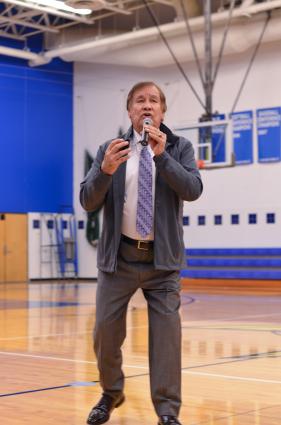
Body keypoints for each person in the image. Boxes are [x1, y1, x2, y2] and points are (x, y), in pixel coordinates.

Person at [80, 81, 203, 425]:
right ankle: (111, 391)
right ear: (130, 110)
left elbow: (193, 189)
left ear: (162, 111)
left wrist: (162, 157)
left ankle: (167, 410)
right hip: (118, 260)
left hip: (162, 262)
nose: (146, 106)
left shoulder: (179, 147)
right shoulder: (111, 149)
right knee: (105, 332)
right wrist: (104, 171)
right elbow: (88, 200)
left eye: (153, 101)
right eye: (139, 101)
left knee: (166, 338)